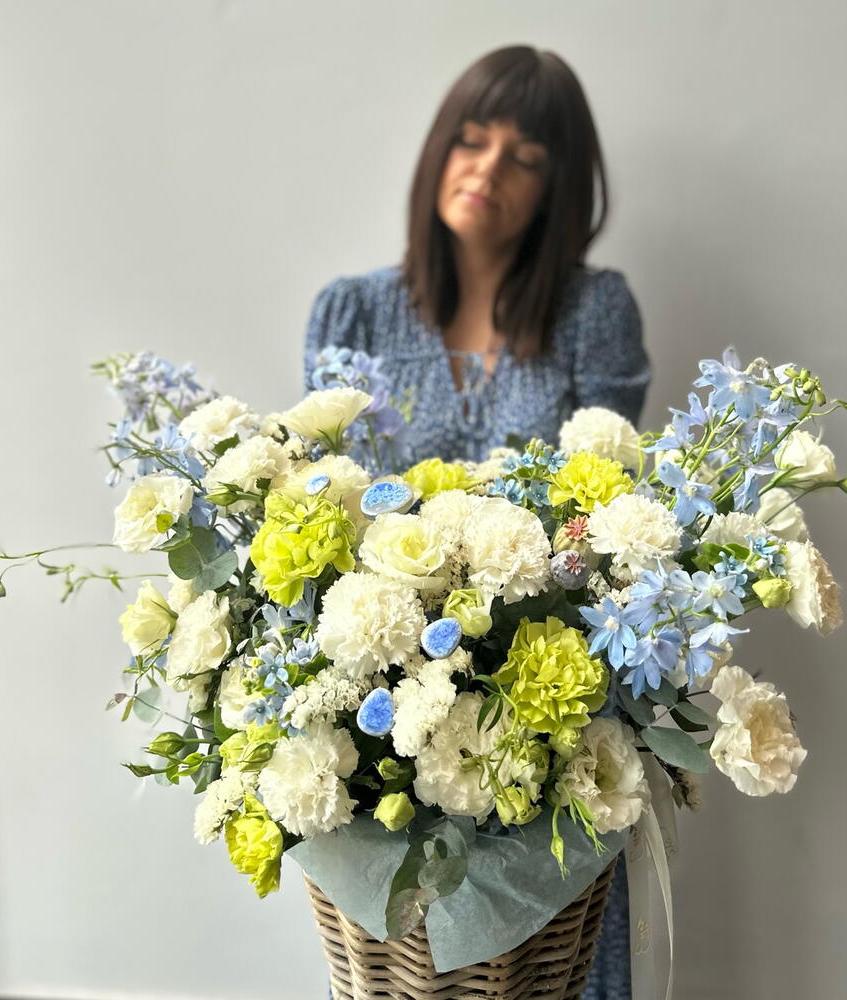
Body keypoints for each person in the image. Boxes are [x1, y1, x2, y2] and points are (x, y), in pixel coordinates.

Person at [303, 44, 650, 1000]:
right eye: (471, 139)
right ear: (438, 152)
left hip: (547, 729)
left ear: (557, 188)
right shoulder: (353, 314)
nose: (489, 169)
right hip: (387, 734)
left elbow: (603, 514)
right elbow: (328, 519)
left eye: (526, 157)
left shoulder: (592, 313)